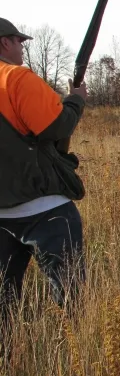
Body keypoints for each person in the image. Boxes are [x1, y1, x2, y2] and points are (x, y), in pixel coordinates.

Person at [0, 17, 88, 324]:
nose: (22, 48)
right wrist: (75, 101)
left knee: (3, 305)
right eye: (19, 41)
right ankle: (76, 350)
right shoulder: (15, 78)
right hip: (45, 212)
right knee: (72, 300)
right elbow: (56, 127)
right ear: (4, 42)